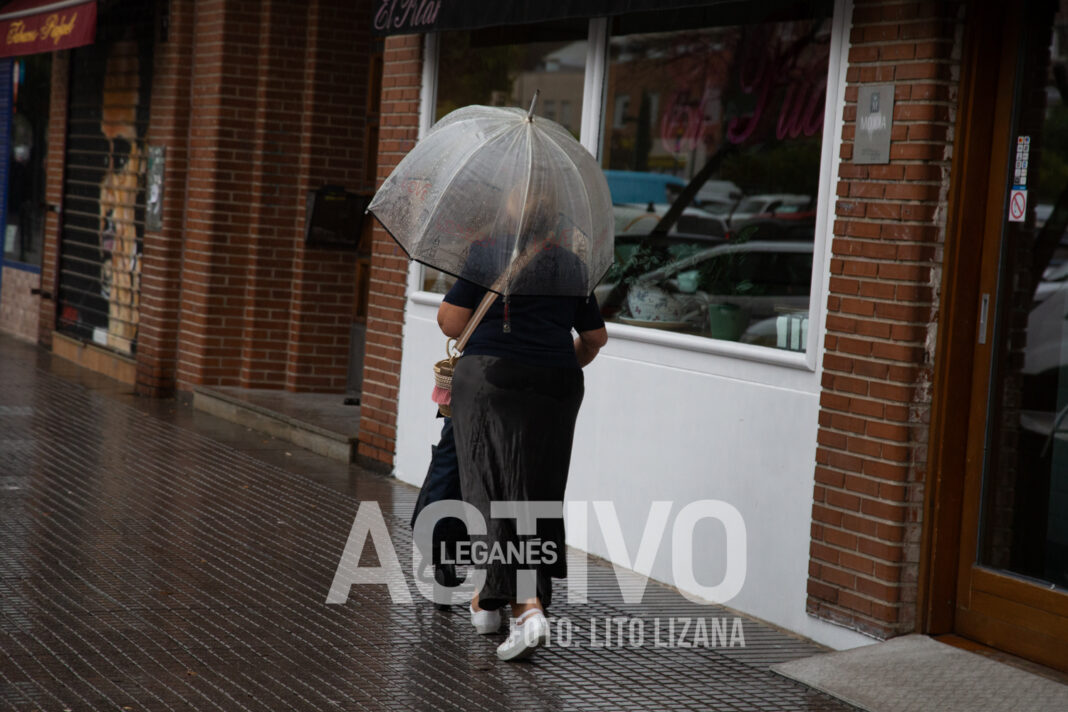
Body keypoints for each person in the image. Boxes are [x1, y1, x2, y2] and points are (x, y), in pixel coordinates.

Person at [436, 247, 607, 662]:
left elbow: (451, 322)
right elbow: (595, 338)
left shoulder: (488, 253)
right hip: (557, 385)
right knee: (535, 494)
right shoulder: (572, 264)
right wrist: (556, 360)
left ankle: (526, 608)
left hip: (492, 380)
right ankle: (485, 600)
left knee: (492, 492)